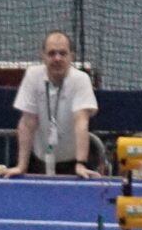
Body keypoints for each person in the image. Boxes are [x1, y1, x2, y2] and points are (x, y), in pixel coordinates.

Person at [8, 30, 99, 177]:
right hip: (39, 161)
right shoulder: (33, 76)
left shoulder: (81, 80)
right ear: (43, 56)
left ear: (71, 56)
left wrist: (81, 163)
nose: (57, 58)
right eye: (51, 53)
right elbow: (27, 123)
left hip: (73, 164)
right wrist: (21, 166)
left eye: (63, 53)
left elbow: (81, 122)